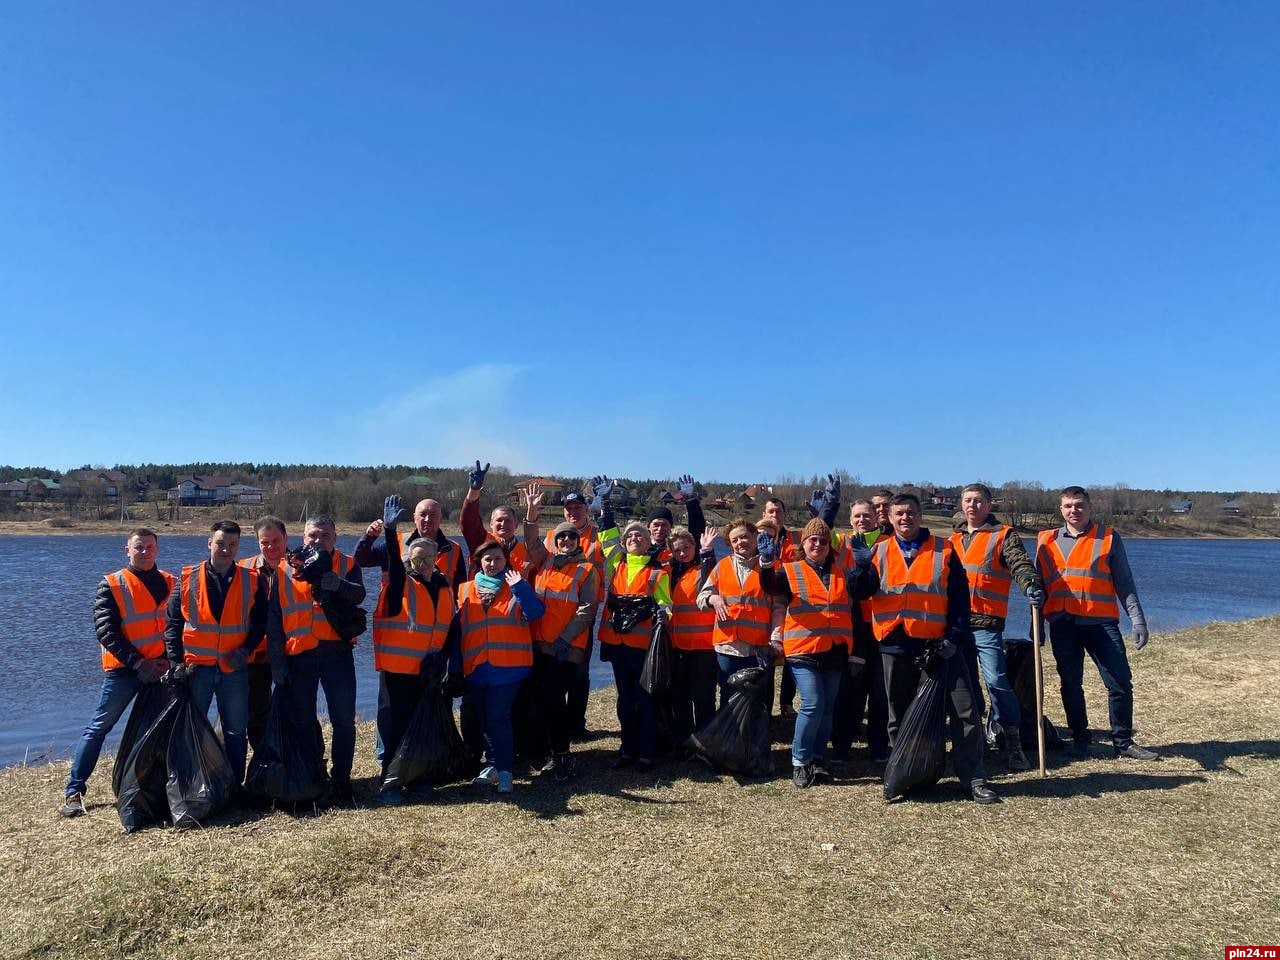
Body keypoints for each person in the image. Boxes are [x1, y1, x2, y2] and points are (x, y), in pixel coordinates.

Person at [867, 494, 998, 804]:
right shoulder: (879, 550)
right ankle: (909, 772)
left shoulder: (944, 549)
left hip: (940, 646)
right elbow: (860, 591)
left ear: (920, 515)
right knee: (898, 716)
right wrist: (859, 567)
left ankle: (974, 777)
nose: (904, 519)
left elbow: (959, 599)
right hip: (895, 644)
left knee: (965, 711)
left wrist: (952, 638)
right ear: (890, 517)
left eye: (910, 513)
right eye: (899, 514)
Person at [1036, 486, 1157, 760]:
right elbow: (1039, 588)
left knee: (1120, 683)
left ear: (1089, 507)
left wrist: (1137, 620)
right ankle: (1081, 739)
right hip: (1063, 624)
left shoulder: (1108, 537)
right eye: (1068, 506)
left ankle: (1123, 742)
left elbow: (1124, 583)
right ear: (1061, 509)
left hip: (1101, 624)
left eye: (1079, 505)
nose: (1074, 510)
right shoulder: (1045, 540)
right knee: (1070, 683)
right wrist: (1036, 627)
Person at [62, 528, 174, 817]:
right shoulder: (111, 584)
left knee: (159, 730)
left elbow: (177, 626)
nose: (145, 552)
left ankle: (154, 786)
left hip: (160, 671)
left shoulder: (171, 582)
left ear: (157, 550)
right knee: (99, 727)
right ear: (128, 550)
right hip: (125, 672)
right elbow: (106, 631)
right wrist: (139, 663)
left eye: (150, 547)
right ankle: (74, 790)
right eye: (139, 547)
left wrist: (165, 661)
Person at [759, 516, 878, 788]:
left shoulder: (843, 572)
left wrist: (863, 565)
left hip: (835, 649)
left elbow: (863, 592)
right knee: (812, 704)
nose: (818, 544)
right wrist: (766, 563)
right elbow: (769, 586)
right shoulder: (789, 571)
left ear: (829, 545)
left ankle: (817, 757)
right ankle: (799, 762)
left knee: (826, 709)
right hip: (803, 649)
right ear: (804, 543)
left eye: (823, 540)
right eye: (813, 539)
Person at [268, 515, 367, 807]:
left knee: (343, 721)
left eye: (325, 535)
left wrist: (338, 584)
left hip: (337, 653)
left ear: (335, 538)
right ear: (303, 536)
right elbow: (274, 621)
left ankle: (342, 781)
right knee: (303, 721)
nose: (318, 540)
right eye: (313, 535)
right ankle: (310, 778)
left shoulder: (347, 564)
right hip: (300, 655)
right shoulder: (285, 567)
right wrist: (277, 663)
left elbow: (360, 594)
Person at [164, 520, 268, 784]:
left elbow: (261, 622)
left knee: (235, 731)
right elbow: (173, 624)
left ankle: (233, 785)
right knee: (192, 730)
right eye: (221, 544)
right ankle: (191, 785)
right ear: (210, 543)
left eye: (232, 545)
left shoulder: (252, 579)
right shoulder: (187, 577)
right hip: (197, 669)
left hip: (234, 670)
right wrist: (176, 663)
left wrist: (245, 650)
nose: (226, 550)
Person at [369, 496, 458, 804]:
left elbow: (449, 627)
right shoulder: (400, 586)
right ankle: (390, 782)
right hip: (398, 671)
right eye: (415, 559)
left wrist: (444, 660)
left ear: (436, 559)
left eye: (427, 559)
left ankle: (418, 777)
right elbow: (393, 564)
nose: (421, 564)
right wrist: (390, 530)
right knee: (395, 726)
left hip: (427, 671)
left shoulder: (443, 587)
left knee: (421, 725)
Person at [950, 483, 1045, 771]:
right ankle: (973, 739)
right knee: (962, 687)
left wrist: (1029, 583)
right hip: (955, 625)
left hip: (987, 624)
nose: (973, 506)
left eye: (979, 501)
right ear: (961, 504)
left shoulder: (1004, 536)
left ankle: (1012, 741)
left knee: (996, 681)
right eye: (968, 501)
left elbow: (1020, 564)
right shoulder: (952, 539)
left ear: (988, 505)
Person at [521, 482, 601, 782]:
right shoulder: (546, 561)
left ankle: (563, 756)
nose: (566, 539)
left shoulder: (586, 570)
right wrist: (531, 512)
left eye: (571, 535)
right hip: (539, 646)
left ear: (578, 540)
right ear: (555, 540)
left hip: (566, 648)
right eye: (562, 535)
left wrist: (564, 640)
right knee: (542, 699)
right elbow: (530, 540)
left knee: (555, 700)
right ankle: (546, 750)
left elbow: (587, 609)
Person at [454, 538, 545, 794]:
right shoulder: (464, 589)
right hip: (476, 666)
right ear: (479, 562)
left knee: (498, 717)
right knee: (484, 718)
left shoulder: (516, 586)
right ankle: (493, 764)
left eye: (498, 559)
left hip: (509, 666)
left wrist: (521, 588)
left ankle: (505, 771)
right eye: (488, 559)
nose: (493, 563)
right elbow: (458, 631)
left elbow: (535, 613)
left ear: (506, 562)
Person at [594, 477, 670, 769]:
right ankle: (627, 750)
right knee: (625, 700)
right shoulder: (616, 565)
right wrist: (606, 506)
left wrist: (663, 616)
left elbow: (667, 605)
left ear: (650, 542)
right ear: (625, 544)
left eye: (640, 536)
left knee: (645, 700)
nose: (635, 539)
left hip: (643, 646)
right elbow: (607, 536)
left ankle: (646, 753)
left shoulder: (657, 572)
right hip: (617, 644)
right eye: (630, 537)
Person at [765, 477, 842, 719]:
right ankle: (765, 708)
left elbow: (817, 539)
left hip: (792, 598)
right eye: (770, 510)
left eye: (778, 511)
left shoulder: (796, 539)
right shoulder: (758, 536)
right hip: (763, 601)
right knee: (767, 662)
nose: (774, 514)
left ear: (785, 515)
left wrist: (827, 509)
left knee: (792, 655)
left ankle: (786, 702)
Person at [831, 499, 891, 765]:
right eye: (857, 516)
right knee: (850, 690)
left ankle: (878, 747)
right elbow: (819, 533)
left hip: (881, 625)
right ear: (851, 517)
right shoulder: (842, 541)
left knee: (880, 691)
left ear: (877, 517)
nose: (861, 520)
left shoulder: (887, 543)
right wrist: (828, 510)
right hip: (853, 626)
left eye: (867, 515)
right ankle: (841, 747)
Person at [697, 517, 775, 708]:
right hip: (728, 645)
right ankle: (729, 737)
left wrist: (776, 638)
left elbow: (779, 605)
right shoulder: (723, 565)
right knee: (728, 694)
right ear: (730, 545)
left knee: (755, 697)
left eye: (744, 537)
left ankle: (753, 737)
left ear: (755, 537)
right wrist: (712, 599)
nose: (741, 542)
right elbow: (701, 597)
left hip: (758, 646)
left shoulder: (770, 565)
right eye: (735, 540)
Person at [239, 516, 289, 751]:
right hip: (255, 655)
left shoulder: (299, 566)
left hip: (290, 653)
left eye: (276, 540)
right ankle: (263, 764)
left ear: (286, 538)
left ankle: (305, 765)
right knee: (256, 713)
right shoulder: (243, 569)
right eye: (264, 542)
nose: (271, 547)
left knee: (297, 709)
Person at [666, 525, 719, 745]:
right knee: (680, 697)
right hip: (678, 647)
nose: (682, 553)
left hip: (704, 647)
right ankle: (685, 741)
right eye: (677, 550)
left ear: (694, 547)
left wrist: (707, 551)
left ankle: (707, 743)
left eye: (687, 548)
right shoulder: (670, 573)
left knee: (704, 698)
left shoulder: (703, 569)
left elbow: (710, 575)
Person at [353, 496, 466, 597]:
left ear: (440, 517)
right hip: (401, 614)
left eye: (433, 515)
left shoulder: (453, 550)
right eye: (423, 514)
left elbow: (460, 591)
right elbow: (361, 560)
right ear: (414, 518)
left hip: (439, 616)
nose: (427, 519)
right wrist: (368, 538)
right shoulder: (396, 542)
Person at [461, 460, 528, 574]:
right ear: (491, 524)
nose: (503, 524)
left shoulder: (526, 551)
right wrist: (474, 490)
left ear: (516, 524)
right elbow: (468, 520)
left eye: (508, 521)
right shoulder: (481, 541)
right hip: (481, 592)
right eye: (499, 520)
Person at [646, 474, 706, 565]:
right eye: (656, 525)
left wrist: (691, 501)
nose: (660, 529)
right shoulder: (640, 548)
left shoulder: (679, 549)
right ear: (648, 527)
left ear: (671, 527)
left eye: (664, 525)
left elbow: (697, 529)